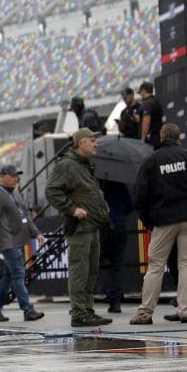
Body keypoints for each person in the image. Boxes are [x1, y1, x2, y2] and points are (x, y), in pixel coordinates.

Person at [130, 124, 187, 325]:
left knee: (155, 266)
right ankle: (185, 311)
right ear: (179, 138)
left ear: (161, 137)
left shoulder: (152, 160)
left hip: (164, 221)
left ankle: (145, 313)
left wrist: (150, 222)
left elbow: (140, 196)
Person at [45, 128, 112, 327]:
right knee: (80, 270)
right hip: (80, 228)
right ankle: (79, 312)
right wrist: (72, 209)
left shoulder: (85, 165)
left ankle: (87, 310)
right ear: (81, 143)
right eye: (92, 140)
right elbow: (51, 191)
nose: (96, 143)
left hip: (92, 226)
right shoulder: (66, 165)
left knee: (91, 271)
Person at [0, 166, 46, 322]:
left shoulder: (16, 193)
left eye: (17, 176)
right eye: (12, 176)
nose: (16, 179)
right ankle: (28, 310)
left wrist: (37, 233)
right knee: (18, 274)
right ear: (2, 176)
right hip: (8, 241)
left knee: (8, 277)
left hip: (18, 240)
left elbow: (26, 216)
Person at [99, 180, 133, 313]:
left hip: (102, 226)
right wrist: (118, 212)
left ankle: (83, 299)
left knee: (93, 262)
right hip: (119, 225)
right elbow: (130, 206)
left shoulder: (94, 183)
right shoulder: (119, 182)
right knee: (117, 265)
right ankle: (115, 301)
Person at [138, 81, 164, 147]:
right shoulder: (155, 101)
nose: (140, 95)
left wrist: (143, 139)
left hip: (150, 140)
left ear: (143, 91)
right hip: (159, 137)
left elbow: (146, 121)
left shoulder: (147, 103)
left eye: (140, 92)